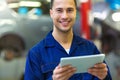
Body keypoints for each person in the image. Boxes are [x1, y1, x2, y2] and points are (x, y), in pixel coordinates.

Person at [24, 0, 112, 80]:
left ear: (75, 13)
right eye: (59, 10)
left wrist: (104, 77)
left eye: (69, 10)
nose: (65, 16)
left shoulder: (90, 48)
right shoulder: (36, 54)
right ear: (51, 13)